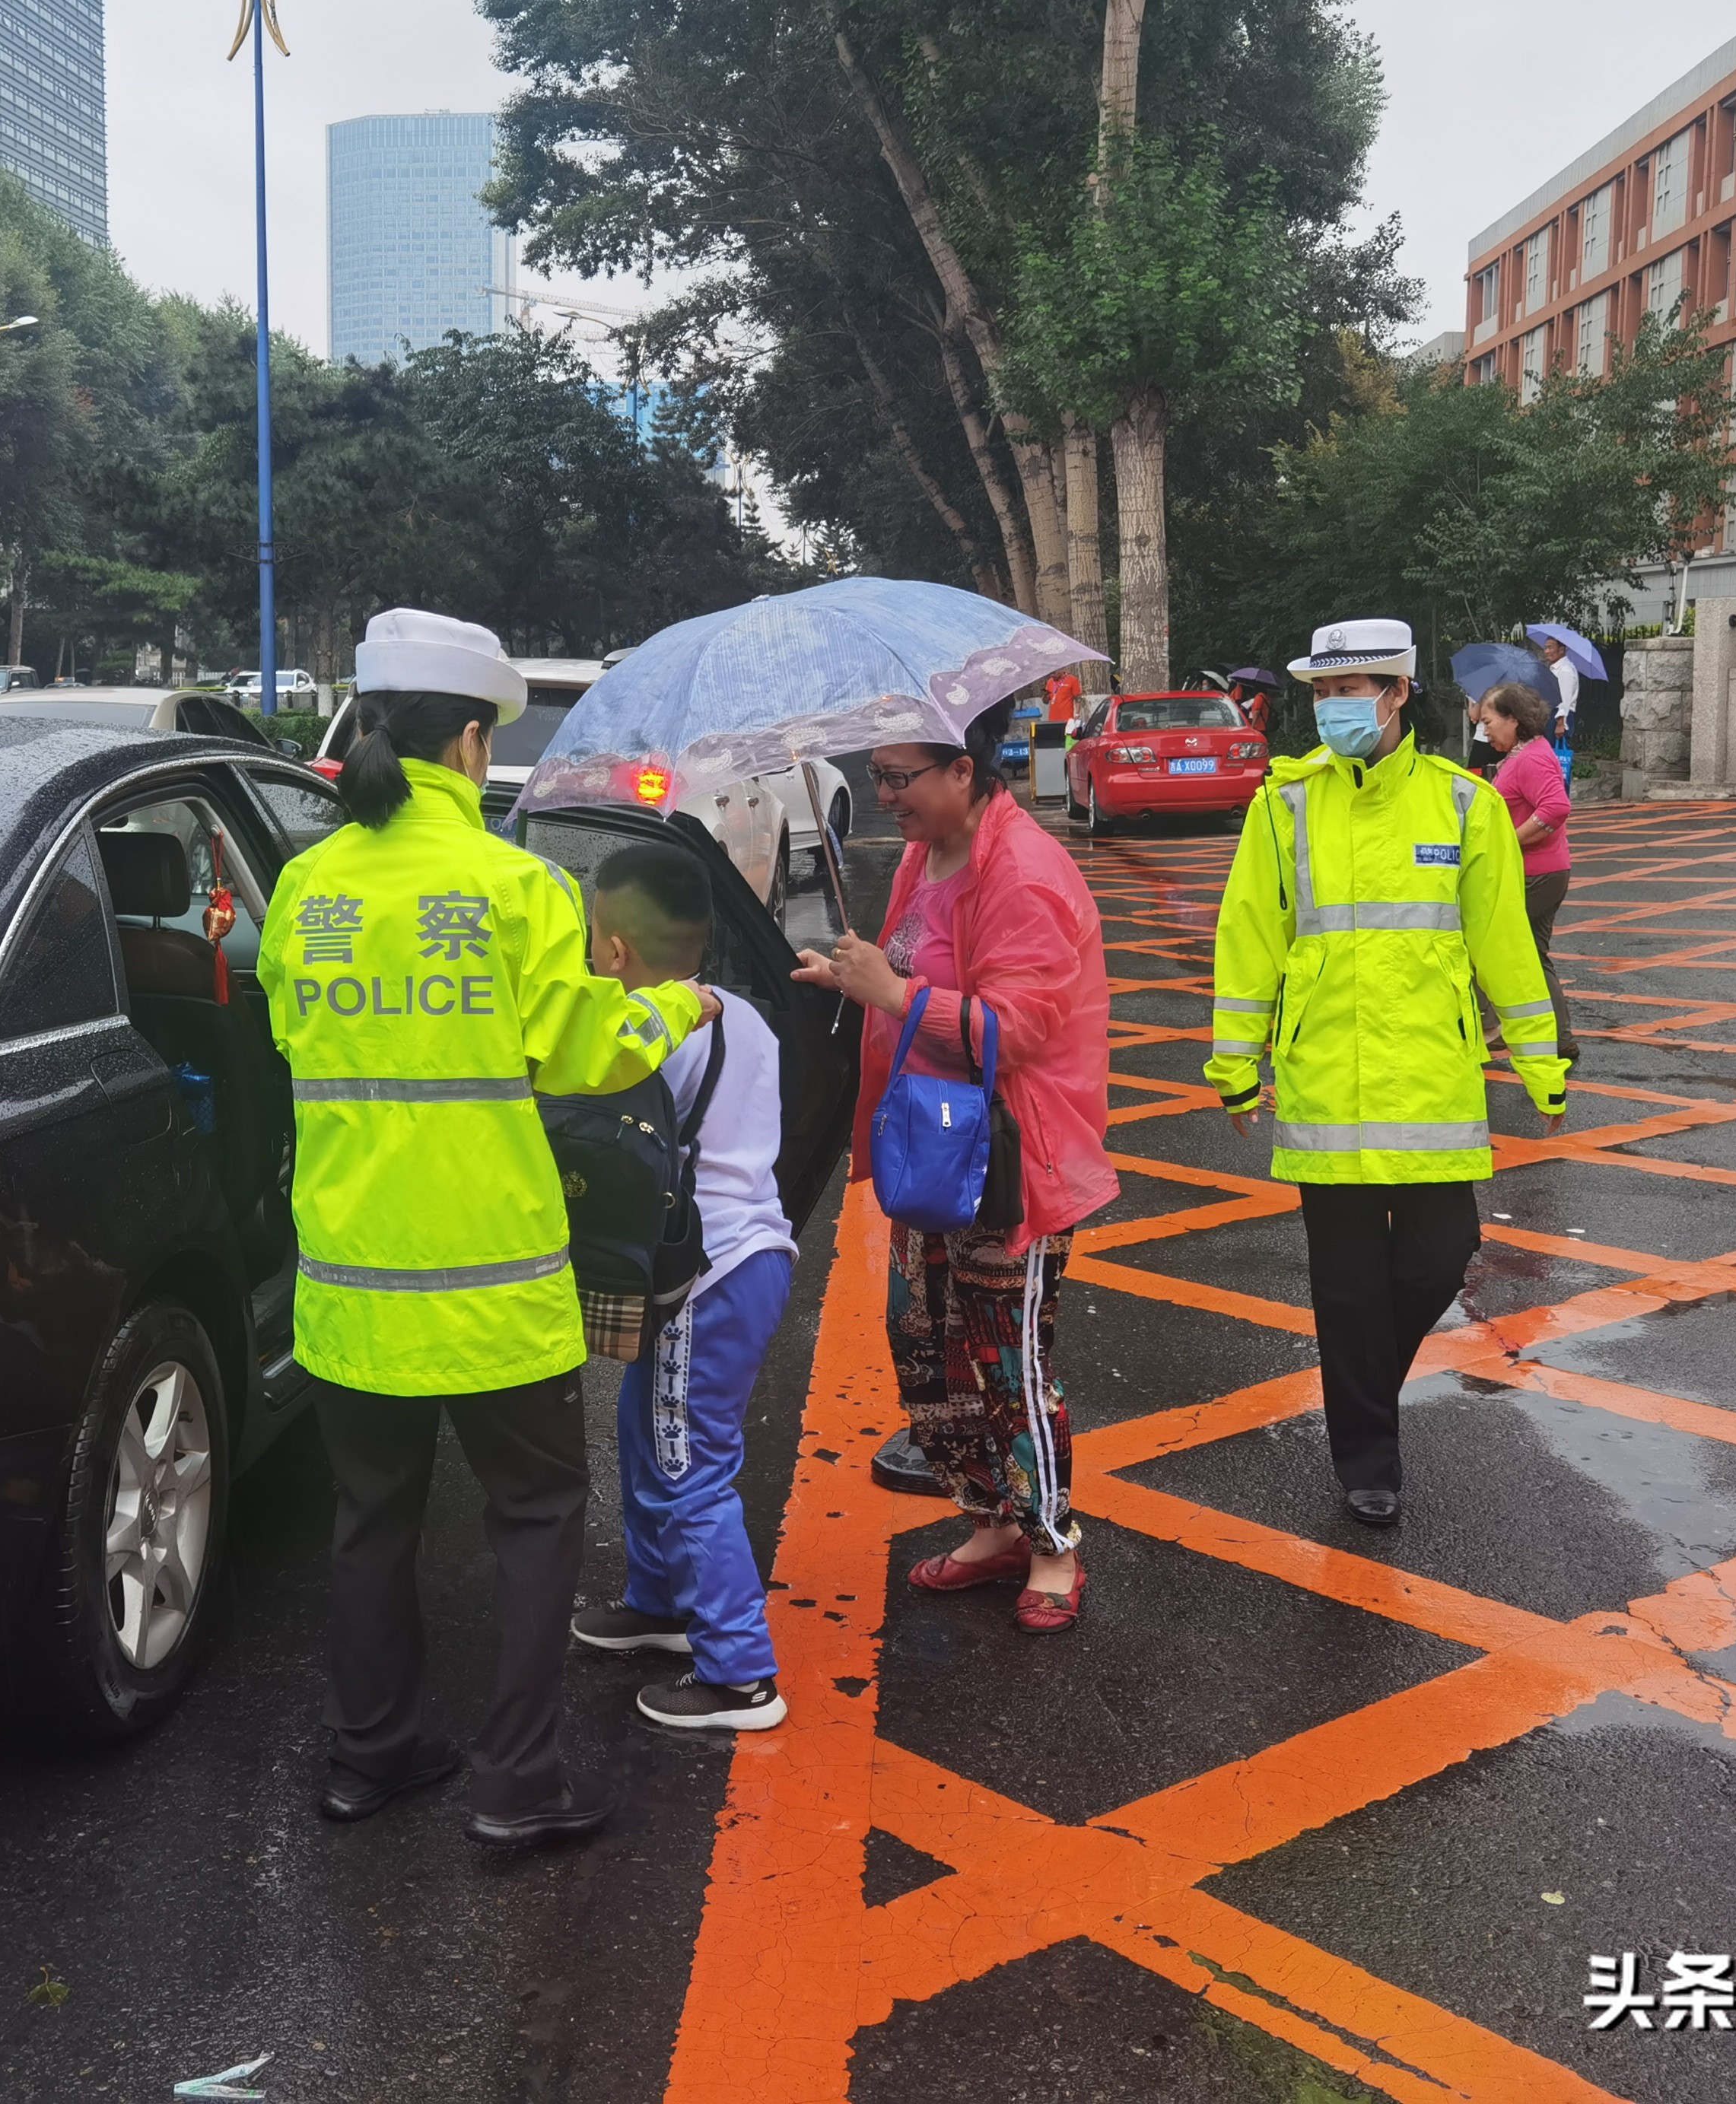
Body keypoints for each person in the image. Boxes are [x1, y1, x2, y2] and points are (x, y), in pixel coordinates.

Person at [259, 607, 718, 1846]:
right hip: (494, 1288)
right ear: (471, 742)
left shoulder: (308, 886)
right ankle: (517, 1783)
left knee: (372, 1524)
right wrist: (671, 1008)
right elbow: (584, 1056)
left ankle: (371, 1752)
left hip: (352, 1288)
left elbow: (290, 1036)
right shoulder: (517, 887)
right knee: (531, 1518)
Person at [1203, 619, 1569, 1527]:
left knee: (1442, 1256)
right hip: (1324, 1080)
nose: (1334, 709)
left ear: (1398, 692)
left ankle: (1361, 1379)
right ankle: (1368, 1454)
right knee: (1347, 1288)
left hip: (1431, 1083)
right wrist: (1234, 1066)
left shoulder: (1462, 804)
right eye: (1323, 694)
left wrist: (1539, 1060)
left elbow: (1503, 945)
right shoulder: (1284, 803)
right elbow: (1250, 938)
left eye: (1351, 690)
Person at [793, 698, 1118, 1632]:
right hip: (932, 1153)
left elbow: (1013, 1032)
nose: (883, 794)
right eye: (878, 775)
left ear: (963, 772)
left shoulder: (1021, 873)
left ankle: (1052, 1543)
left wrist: (891, 990)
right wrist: (852, 980)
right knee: (925, 1350)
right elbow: (903, 976)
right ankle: (991, 1522)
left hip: (1010, 1165)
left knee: (1004, 1361)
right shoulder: (919, 856)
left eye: (900, 777)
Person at [567, 842, 800, 1733]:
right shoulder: (745, 1015)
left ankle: (740, 1673)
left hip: (706, 1273)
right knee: (646, 1430)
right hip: (747, 1259)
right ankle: (660, 1604)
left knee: (686, 1462)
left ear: (616, 952)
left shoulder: (645, 1030)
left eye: (593, 939)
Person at [1480, 681, 1577, 1065]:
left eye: (1489, 721)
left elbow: (1555, 808)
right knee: (1535, 956)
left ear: (1513, 719)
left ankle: (1492, 1029)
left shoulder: (1531, 758)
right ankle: (1558, 1039)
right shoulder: (1527, 754)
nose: (1485, 729)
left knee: (1490, 946)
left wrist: (1509, 841)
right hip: (1547, 871)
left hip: (1535, 874)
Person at [1539, 634, 1582, 784]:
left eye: (1550, 647)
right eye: (1546, 647)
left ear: (1562, 650)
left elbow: (1565, 700)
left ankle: (1561, 794)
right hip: (1553, 716)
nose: (1547, 651)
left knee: (1558, 759)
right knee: (1551, 759)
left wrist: (1560, 724)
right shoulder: (1555, 669)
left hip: (1560, 718)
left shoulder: (1565, 670)